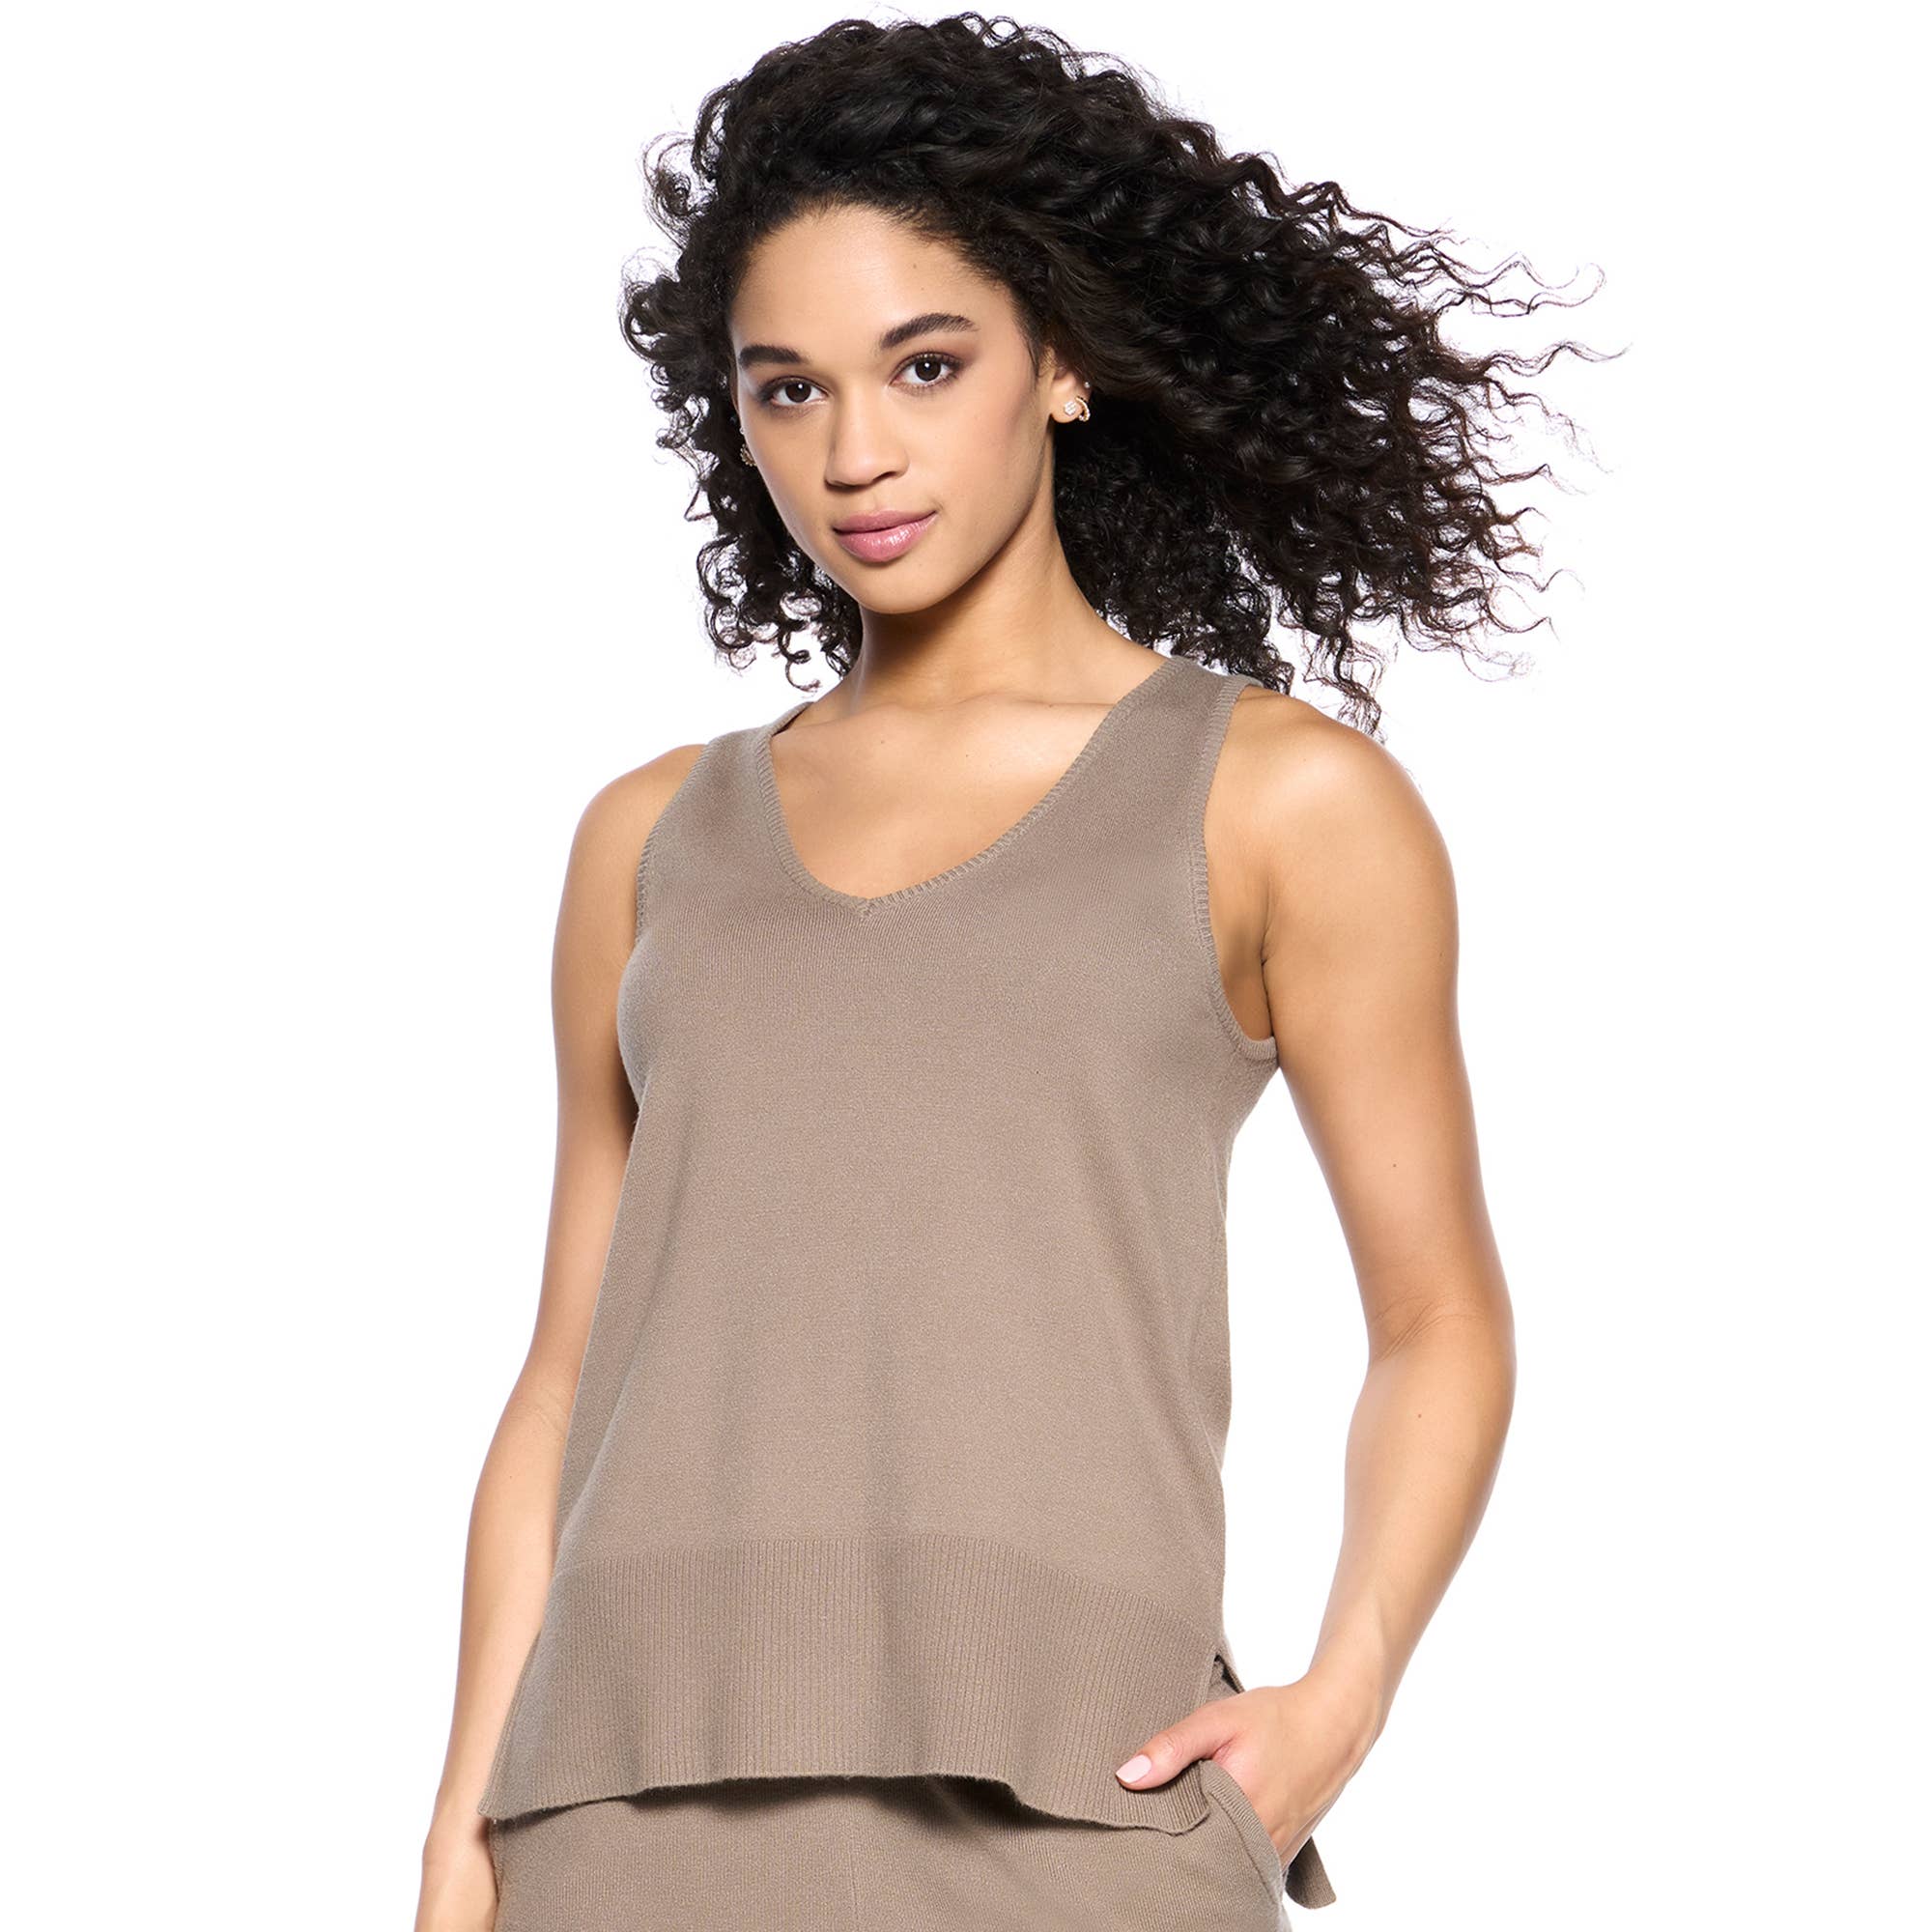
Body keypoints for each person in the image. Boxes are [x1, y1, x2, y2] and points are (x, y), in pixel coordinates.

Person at [416, 14, 1599, 1929]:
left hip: (1080, 1813)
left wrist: (1340, 1697)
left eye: (925, 364)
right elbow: (562, 1378)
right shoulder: (647, 841)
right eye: (787, 389)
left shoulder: (1280, 803)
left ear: (1057, 361)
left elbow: (1438, 1316)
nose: (854, 453)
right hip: (620, 1819)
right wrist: (462, 1839)